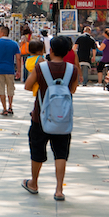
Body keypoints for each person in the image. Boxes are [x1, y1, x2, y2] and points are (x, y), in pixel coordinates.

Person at [21, 36, 78, 201]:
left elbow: (27, 86)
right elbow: (73, 90)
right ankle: (59, 189)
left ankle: (34, 183)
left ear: (50, 50)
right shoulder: (72, 69)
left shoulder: (41, 68)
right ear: (67, 51)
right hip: (63, 118)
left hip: (41, 116)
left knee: (37, 150)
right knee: (61, 152)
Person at [0, 25, 21, 116]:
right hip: (10, 69)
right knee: (10, 89)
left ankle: (4, 108)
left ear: (2, 33)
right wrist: (18, 71)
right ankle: (10, 107)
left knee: (1, 89)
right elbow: (18, 58)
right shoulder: (14, 44)